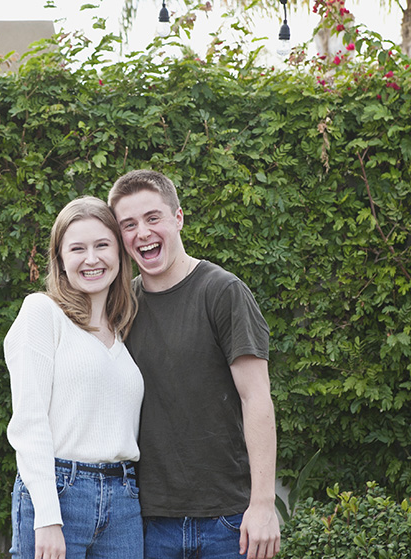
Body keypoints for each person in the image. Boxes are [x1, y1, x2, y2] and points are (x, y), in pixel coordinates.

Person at [108, 170, 280, 559]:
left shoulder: (222, 291)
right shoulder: (122, 307)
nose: (143, 233)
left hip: (228, 521)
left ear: (178, 217)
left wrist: (263, 505)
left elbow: (257, 399)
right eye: (129, 225)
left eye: (153, 218)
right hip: (149, 522)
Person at [4, 196, 144, 559]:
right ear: (61, 260)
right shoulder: (42, 313)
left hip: (124, 498)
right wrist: (48, 517)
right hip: (60, 493)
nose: (92, 258)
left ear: (119, 253)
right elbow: (29, 422)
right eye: (77, 248)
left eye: (102, 245)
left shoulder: (122, 333)